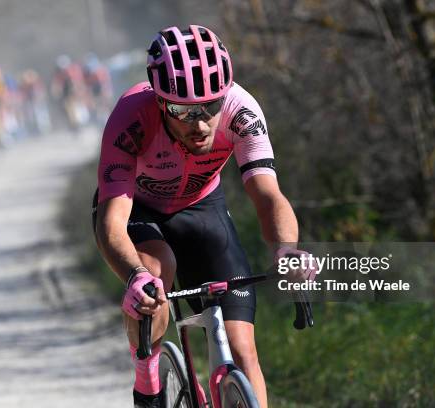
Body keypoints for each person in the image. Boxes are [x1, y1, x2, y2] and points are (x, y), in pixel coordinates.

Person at [92, 25, 315, 408]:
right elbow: (112, 222)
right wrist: (135, 276)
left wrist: (286, 250)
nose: (200, 124)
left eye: (211, 107)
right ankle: (147, 372)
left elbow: (267, 195)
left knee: (243, 351)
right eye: (183, 111)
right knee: (155, 271)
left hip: (201, 208)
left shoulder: (242, 111)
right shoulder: (131, 117)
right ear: (161, 103)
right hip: (137, 211)